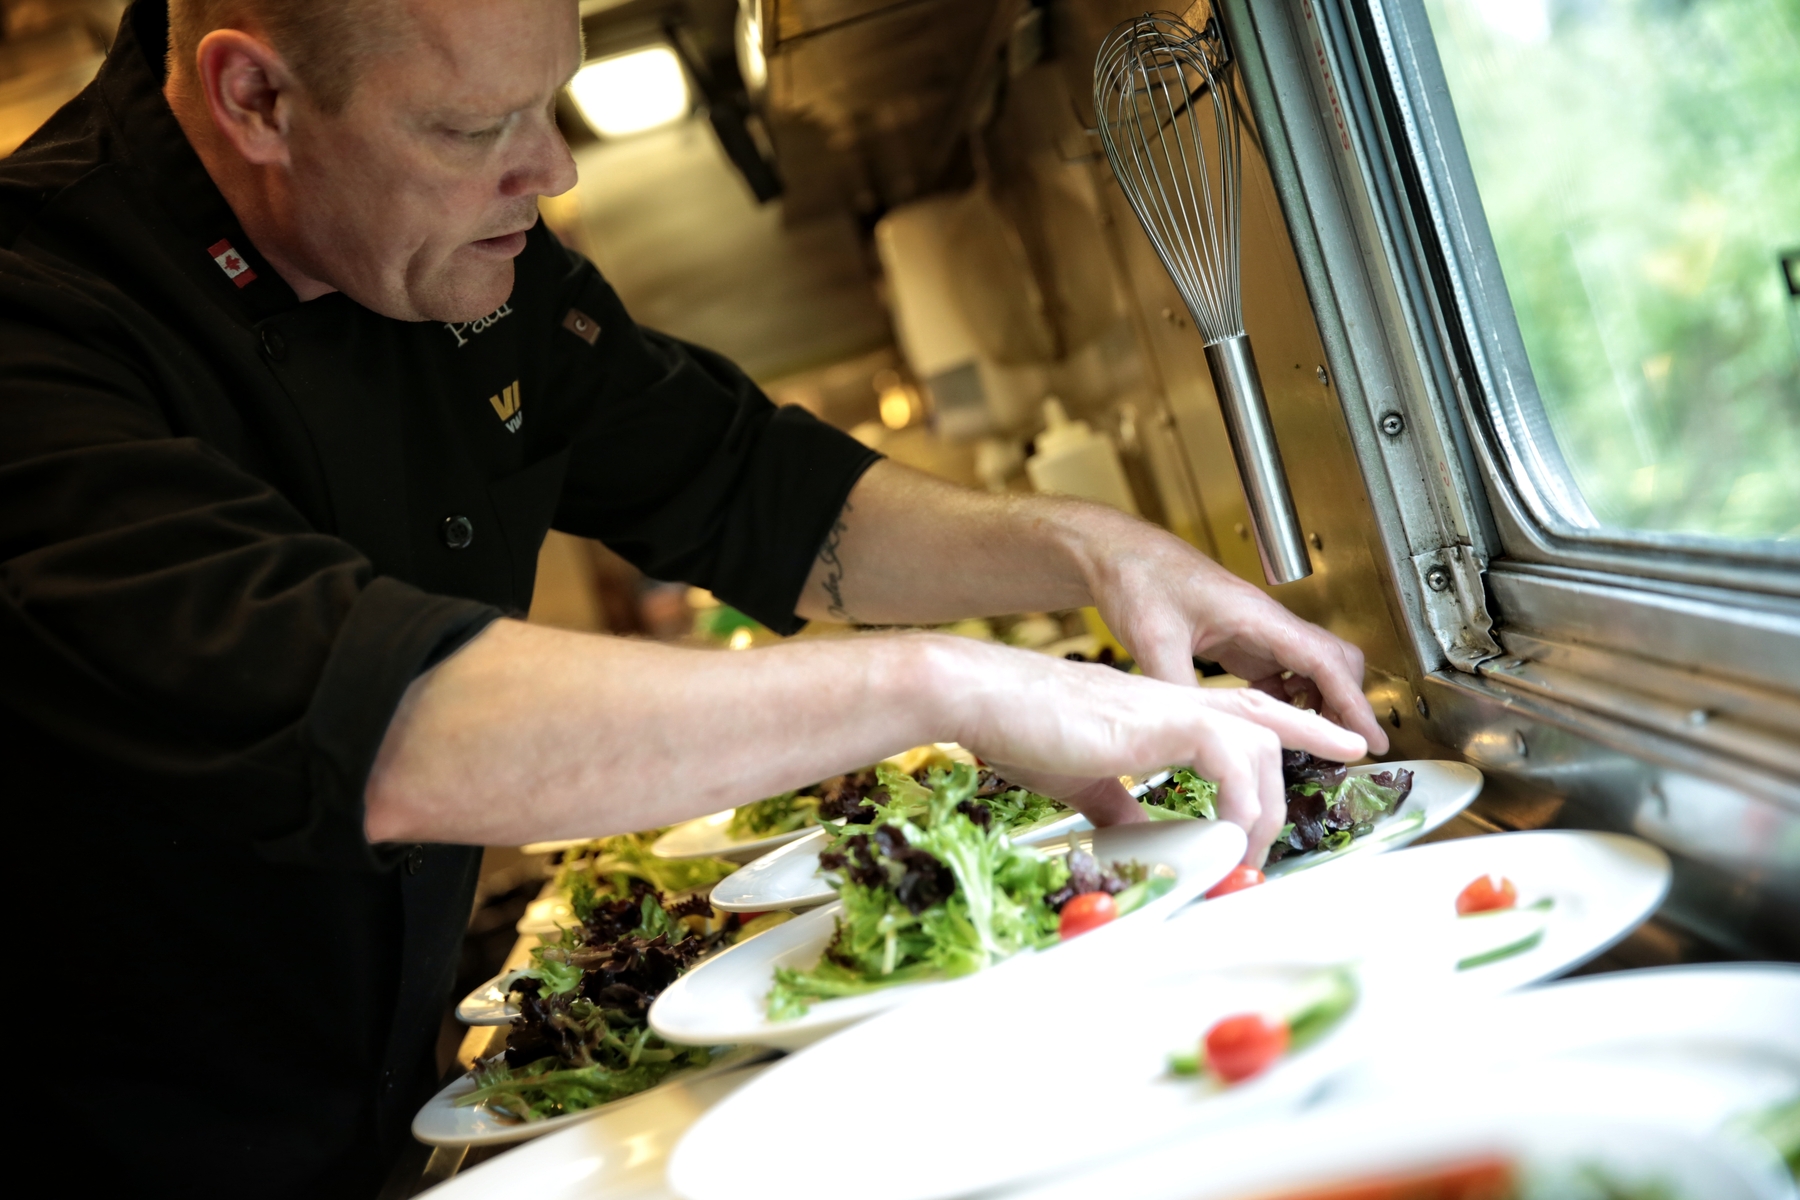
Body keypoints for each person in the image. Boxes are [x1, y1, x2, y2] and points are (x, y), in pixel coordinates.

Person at [0, 0, 1388, 1193]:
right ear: (256, 97)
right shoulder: (40, 323)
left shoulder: (464, 265)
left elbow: (751, 487)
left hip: (383, 1111)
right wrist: (951, 682)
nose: (545, 172)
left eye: (550, 101)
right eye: (475, 130)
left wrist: (1092, 550)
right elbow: (373, 717)